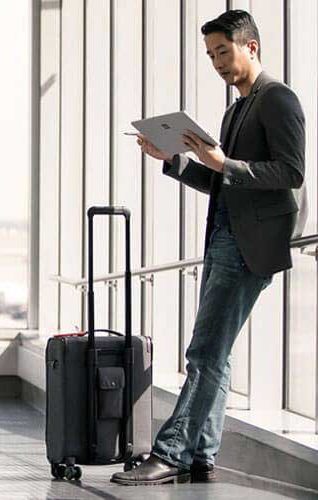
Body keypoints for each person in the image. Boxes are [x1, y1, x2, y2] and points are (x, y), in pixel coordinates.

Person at [112, 10, 306, 485]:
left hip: (247, 245)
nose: (217, 62)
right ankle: (201, 454)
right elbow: (224, 182)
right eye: (211, 55)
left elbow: (291, 173)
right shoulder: (236, 108)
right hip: (224, 238)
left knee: (203, 353)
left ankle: (171, 452)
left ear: (251, 47)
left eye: (223, 51)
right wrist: (175, 160)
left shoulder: (277, 100)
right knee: (215, 353)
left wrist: (225, 162)